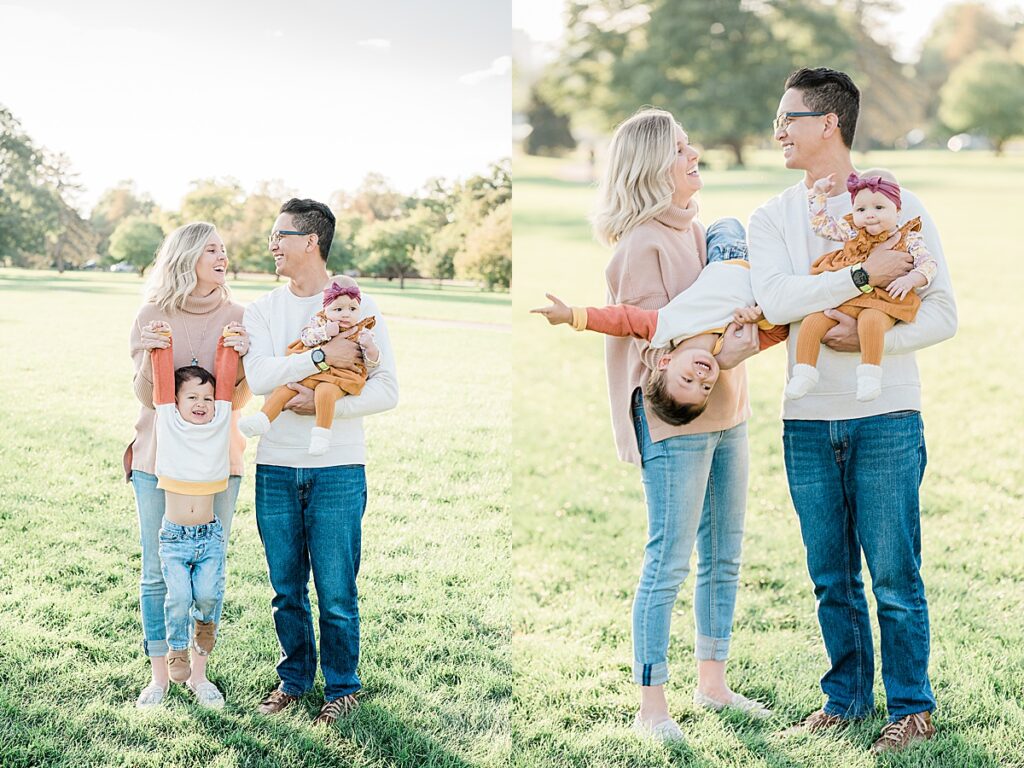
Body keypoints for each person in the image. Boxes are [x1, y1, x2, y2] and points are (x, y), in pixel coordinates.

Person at [747, 67, 957, 754]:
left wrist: (875, 332)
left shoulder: (902, 203)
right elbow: (778, 303)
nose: (777, 129)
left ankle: (912, 709)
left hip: (888, 415)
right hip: (805, 422)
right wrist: (863, 277)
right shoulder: (771, 216)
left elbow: (944, 314)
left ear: (827, 123)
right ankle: (844, 700)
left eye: (788, 117)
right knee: (829, 576)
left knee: (895, 574)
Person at [587, 108, 773, 744]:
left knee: (724, 554)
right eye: (680, 149)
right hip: (674, 424)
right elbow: (654, 350)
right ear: (650, 168)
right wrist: (727, 351)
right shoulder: (642, 243)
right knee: (668, 560)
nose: (694, 156)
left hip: (731, 411)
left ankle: (714, 684)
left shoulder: (704, 233)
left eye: (692, 145)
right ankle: (651, 707)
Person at [242, 198, 398, 726]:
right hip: (276, 468)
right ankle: (293, 680)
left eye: (279, 235)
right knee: (286, 589)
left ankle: (343, 687)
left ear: (310, 241)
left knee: (335, 591)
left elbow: (388, 391)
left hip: (339, 468)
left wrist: (322, 403)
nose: (272, 245)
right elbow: (262, 376)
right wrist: (317, 358)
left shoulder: (360, 304)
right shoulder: (263, 309)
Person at [127, 222, 251, 710]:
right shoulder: (151, 314)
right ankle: (160, 675)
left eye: (224, 249)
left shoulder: (240, 316)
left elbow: (237, 398)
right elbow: (142, 393)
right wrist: (149, 356)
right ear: (187, 257)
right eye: (212, 249)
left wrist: (241, 362)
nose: (223, 256)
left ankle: (199, 674)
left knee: (209, 568)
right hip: (158, 462)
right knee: (159, 570)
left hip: (220, 464)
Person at [532, 218, 787, 425]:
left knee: (728, 223)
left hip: (727, 253)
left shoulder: (666, 328)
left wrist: (572, 316)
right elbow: (781, 331)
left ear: (665, 361)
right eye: (706, 387)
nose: (701, 377)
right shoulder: (732, 344)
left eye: (687, 380)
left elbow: (622, 319)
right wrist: (762, 316)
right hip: (770, 275)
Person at [785, 169, 938, 402]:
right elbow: (821, 225)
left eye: (879, 208)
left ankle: (870, 375)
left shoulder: (909, 238)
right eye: (861, 209)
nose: (870, 215)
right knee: (813, 321)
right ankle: (804, 372)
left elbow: (928, 264)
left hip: (883, 302)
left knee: (871, 320)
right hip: (849, 298)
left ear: (897, 212)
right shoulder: (852, 232)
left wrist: (910, 279)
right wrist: (817, 195)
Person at [147, 327, 240, 688]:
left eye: (207, 397)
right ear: (177, 401)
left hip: (209, 534)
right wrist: (163, 342)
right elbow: (161, 388)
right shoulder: (169, 421)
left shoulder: (219, 423)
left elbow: (228, 386)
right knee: (178, 597)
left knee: (207, 594)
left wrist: (227, 344)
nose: (202, 403)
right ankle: (177, 648)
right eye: (192, 397)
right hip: (173, 537)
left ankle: (205, 623)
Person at [239, 275, 379, 455]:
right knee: (285, 389)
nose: (346, 314)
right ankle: (261, 419)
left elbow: (371, 363)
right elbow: (306, 338)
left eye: (353, 309)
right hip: (312, 374)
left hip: (339, 378)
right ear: (326, 308)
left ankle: (321, 436)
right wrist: (325, 333)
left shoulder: (362, 331)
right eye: (338, 309)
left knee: (325, 393)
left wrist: (370, 348)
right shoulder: (320, 322)